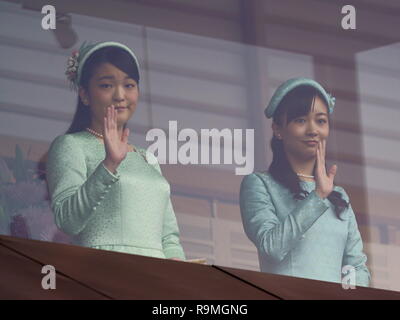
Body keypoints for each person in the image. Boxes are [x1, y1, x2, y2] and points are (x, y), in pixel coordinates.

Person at [46, 41, 185, 260]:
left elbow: (169, 238)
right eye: (106, 85)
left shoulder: (147, 157)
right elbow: (67, 221)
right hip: (104, 274)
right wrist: (109, 165)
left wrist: (180, 278)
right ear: (84, 94)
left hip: (156, 281)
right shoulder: (71, 145)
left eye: (129, 85)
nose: (120, 95)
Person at [240, 78, 370, 286]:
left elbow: (355, 266)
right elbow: (271, 247)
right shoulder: (259, 184)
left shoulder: (339, 196)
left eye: (321, 121)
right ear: (278, 129)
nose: (313, 130)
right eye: (300, 120)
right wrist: (317, 196)